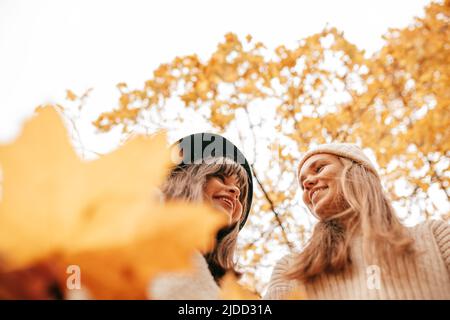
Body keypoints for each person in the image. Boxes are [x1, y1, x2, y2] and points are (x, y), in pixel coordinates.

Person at [265, 143, 450, 299]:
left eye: (319, 168)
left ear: (356, 172)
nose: (306, 184)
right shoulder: (290, 269)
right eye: (302, 181)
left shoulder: (434, 236)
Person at [148, 133, 253, 299]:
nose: (236, 191)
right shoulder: (145, 208)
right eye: (220, 177)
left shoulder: (228, 293)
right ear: (188, 180)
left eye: (240, 195)